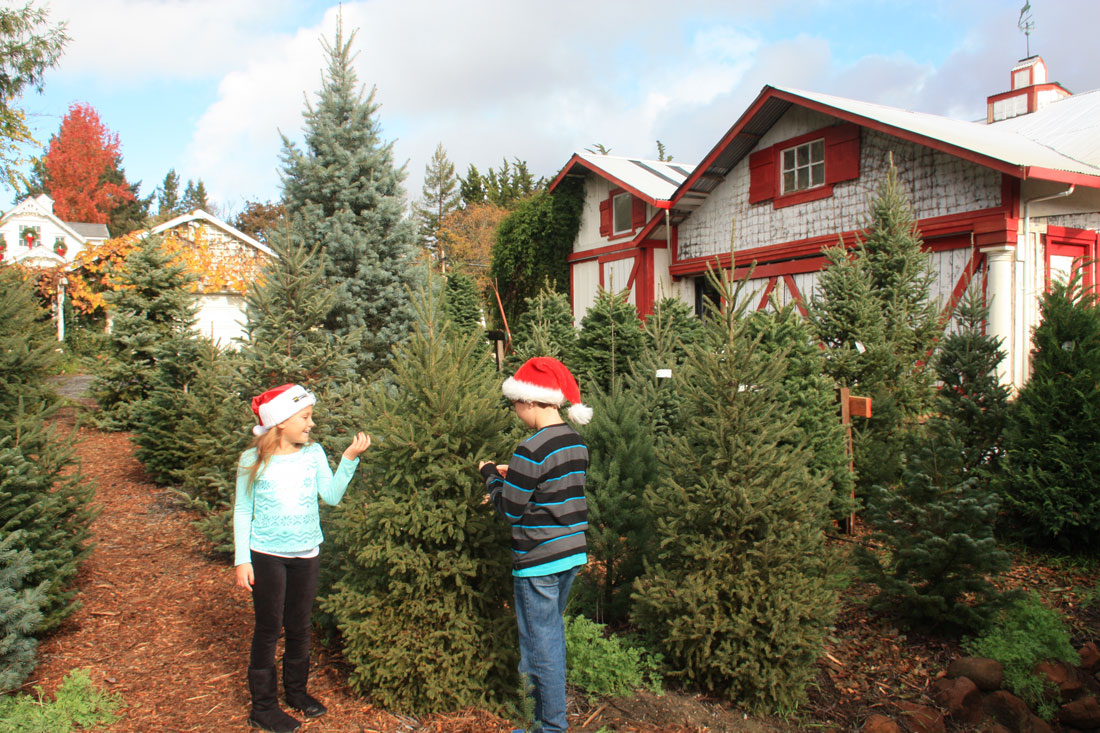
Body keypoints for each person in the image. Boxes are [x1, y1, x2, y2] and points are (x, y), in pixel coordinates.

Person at [233, 383, 370, 733]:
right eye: (305, 417)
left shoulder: (313, 453)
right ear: (280, 422)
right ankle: (262, 707)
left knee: (299, 625)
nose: (311, 424)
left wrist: (349, 460)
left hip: (307, 552)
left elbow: (332, 496)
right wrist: (241, 559)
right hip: (266, 555)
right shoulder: (252, 460)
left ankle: (296, 693)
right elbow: (241, 508)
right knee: (268, 628)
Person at [479, 357, 593, 733]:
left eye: (515, 405)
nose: (516, 413)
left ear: (529, 401)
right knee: (548, 635)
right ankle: (544, 721)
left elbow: (510, 510)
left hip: (538, 560)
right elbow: (553, 486)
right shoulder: (576, 443)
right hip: (571, 553)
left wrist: (490, 478)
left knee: (540, 645)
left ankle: (551, 728)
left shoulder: (529, 449)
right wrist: (516, 477)